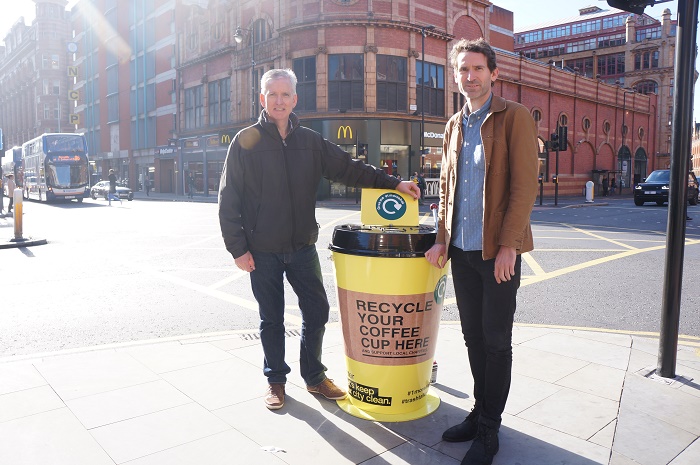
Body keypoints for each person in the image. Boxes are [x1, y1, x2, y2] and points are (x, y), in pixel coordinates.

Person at [219, 68, 420, 411]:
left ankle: (314, 377)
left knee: (317, 311)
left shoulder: (310, 141)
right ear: (262, 99)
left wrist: (393, 183)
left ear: (295, 99)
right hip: (262, 249)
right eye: (272, 94)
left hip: (301, 247)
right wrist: (238, 249)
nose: (279, 100)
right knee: (272, 318)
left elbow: (350, 168)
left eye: (285, 94)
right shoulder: (245, 141)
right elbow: (229, 198)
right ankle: (276, 381)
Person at [424, 38, 538, 465]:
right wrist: (440, 237)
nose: (469, 77)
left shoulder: (514, 118)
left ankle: (490, 428)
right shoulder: (455, 124)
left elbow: (525, 187)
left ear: (493, 73)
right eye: (462, 71)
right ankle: (479, 411)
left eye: (477, 69)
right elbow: (447, 187)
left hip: (496, 252)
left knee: (495, 341)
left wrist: (510, 245)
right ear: (455, 77)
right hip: (462, 251)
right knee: (473, 338)